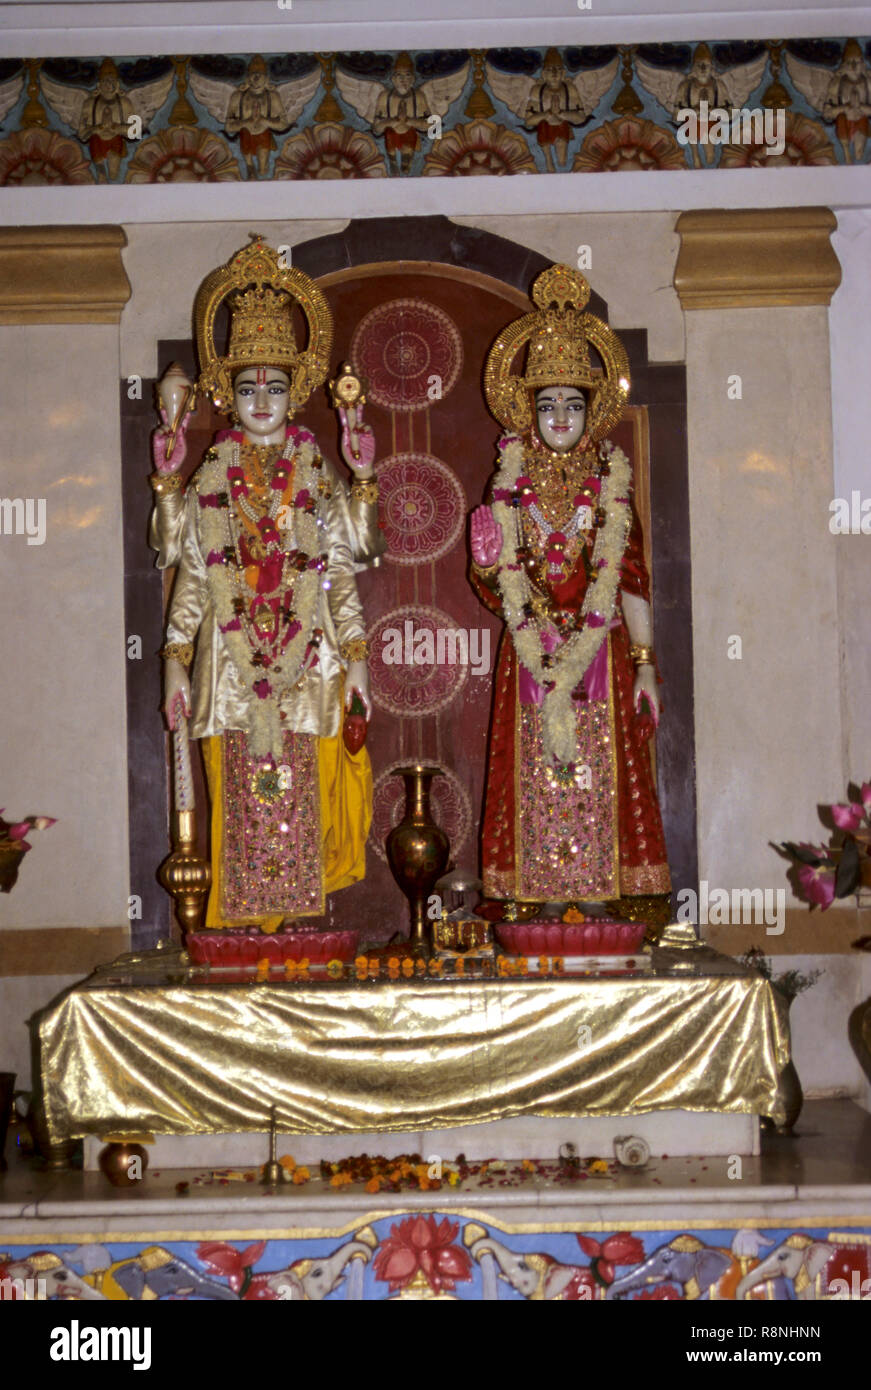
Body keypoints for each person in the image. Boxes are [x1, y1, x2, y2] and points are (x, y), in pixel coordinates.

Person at [149, 237, 383, 929]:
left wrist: (360, 660)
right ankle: (244, 942)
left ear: (294, 392)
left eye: (274, 388)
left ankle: (297, 943)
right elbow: (185, 566)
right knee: (240, 806)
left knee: (304, 805)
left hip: (306, 663)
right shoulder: (212, 474)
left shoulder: (313, 473)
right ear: (229, 394)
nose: (260, 401)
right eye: (247, 387)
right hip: (228, 668)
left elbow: (347, 565)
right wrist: (173, 662)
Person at [469, 263, 670, 909]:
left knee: (597, 772)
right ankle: (538, 904)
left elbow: (631, 579)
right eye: (547, 403)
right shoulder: (508, 485)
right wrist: (483, 563)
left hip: (600, 653)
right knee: (537, 774)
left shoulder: (611, 483)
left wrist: (643, 666)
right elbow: (494, 587)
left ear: (593, 410)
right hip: (528, 655)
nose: (559, 416)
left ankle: (603, 905)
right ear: (526, 410)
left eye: (572, 403)